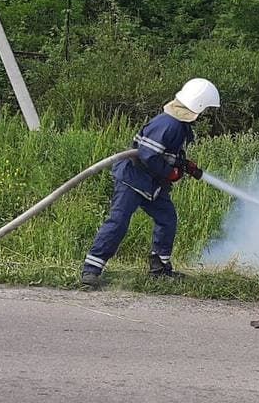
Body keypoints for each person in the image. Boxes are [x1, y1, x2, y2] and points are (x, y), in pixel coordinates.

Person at [80, 78, 220, 287]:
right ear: (198, 105)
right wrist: (170, 172)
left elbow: (165, 152)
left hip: (151, 184)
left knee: (167, 218)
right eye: (206, 108)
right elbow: (147, 154)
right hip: (133, 180)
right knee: (118, 222)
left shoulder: (178, 124)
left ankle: (160, 268)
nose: (206, 113)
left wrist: (183, 164)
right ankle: (91, 271)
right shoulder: (168, 124)